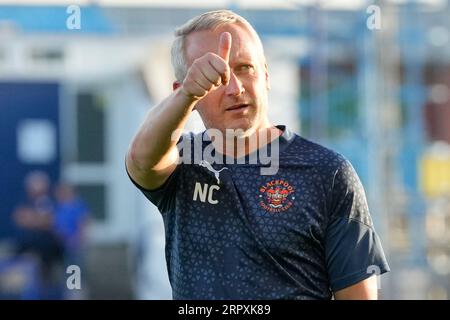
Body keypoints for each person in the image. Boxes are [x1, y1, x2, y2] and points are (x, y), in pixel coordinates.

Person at [126, 10, 389, 300]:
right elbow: (141, 160)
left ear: (265, 76)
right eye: (214, 77)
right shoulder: (183, 162)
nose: (235, 88)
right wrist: (188, 93)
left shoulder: (328, 173)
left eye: (244, 68)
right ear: (184, 94)